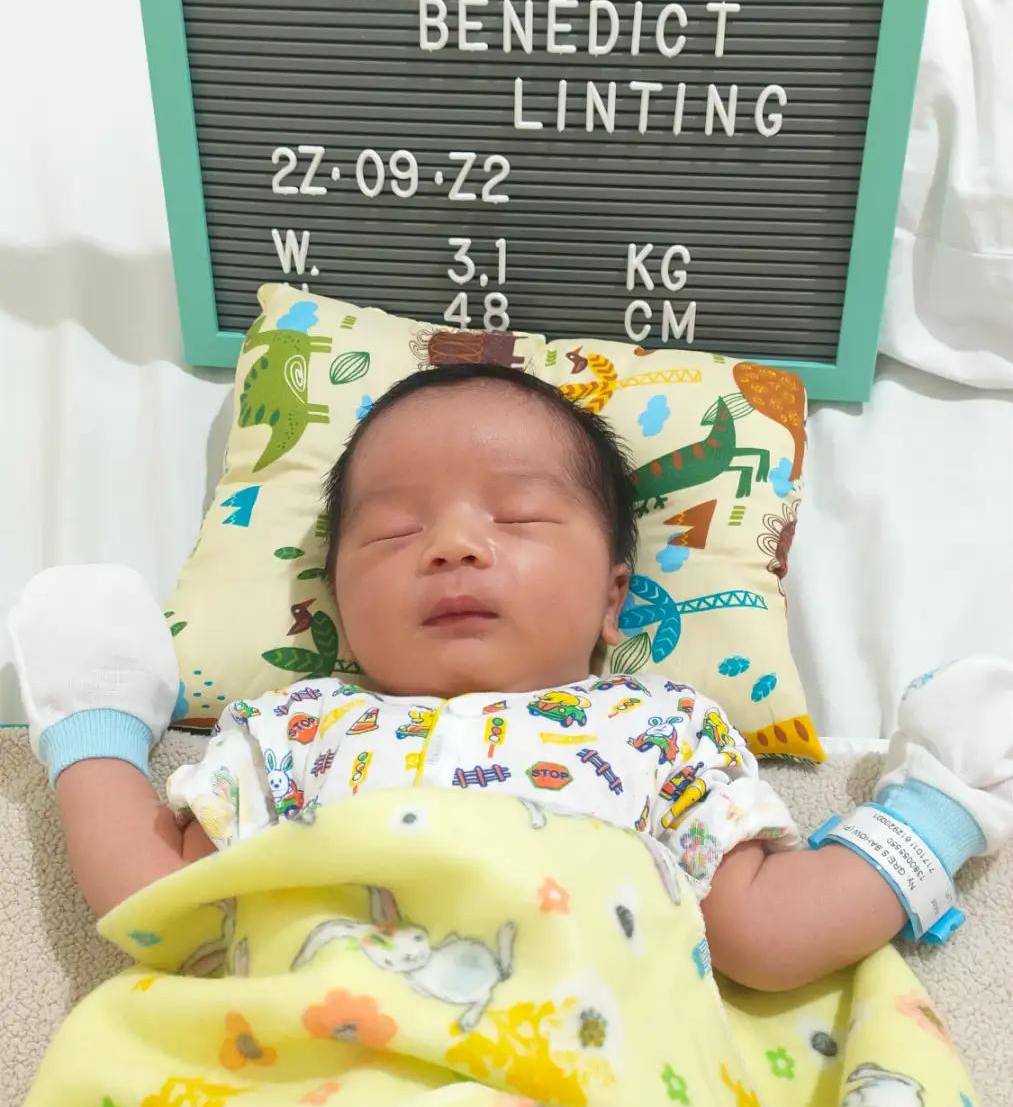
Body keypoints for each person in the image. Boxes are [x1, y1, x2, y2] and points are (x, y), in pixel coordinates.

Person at [11, 363, 1013, 990]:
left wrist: (932, 814)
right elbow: (164, 904)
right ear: (338, 606)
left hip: (583, 1093)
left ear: (614, 598)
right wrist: (95, 734)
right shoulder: (293, 726)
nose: (451, 544)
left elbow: (766, 933)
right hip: (314, 1080)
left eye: (519, 517)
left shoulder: (657, 725)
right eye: (393, 530)